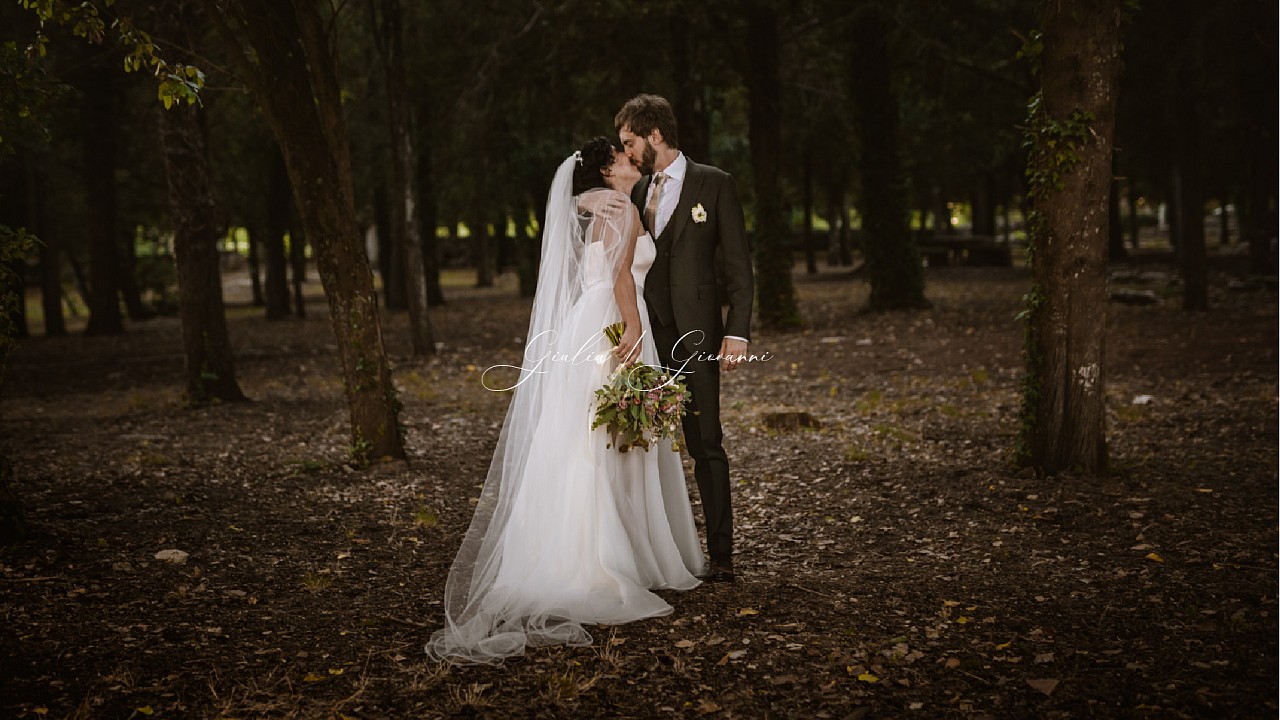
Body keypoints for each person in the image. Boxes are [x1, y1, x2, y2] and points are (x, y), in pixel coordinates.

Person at [425, 137, 706, 665]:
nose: (631, 158)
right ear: (607, 170)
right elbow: (620, 274)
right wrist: (633, 329)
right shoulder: (618, 206)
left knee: (591, 435)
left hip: (591, 319)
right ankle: (608, 556)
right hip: (614, 321)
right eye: (621, 155)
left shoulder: (608, 205)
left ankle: (602, 548)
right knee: (609, 435)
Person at [616, 94, 754, 584]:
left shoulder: (714, 184)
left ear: (655, 135)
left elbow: (738, 266)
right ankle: (653, 555)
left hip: (697, 336)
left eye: (630, 142)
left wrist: (736, 331)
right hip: (646, 337)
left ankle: (721, 555)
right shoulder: (634, 191)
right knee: (641, 445)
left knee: (706, 443)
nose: (626, 152)